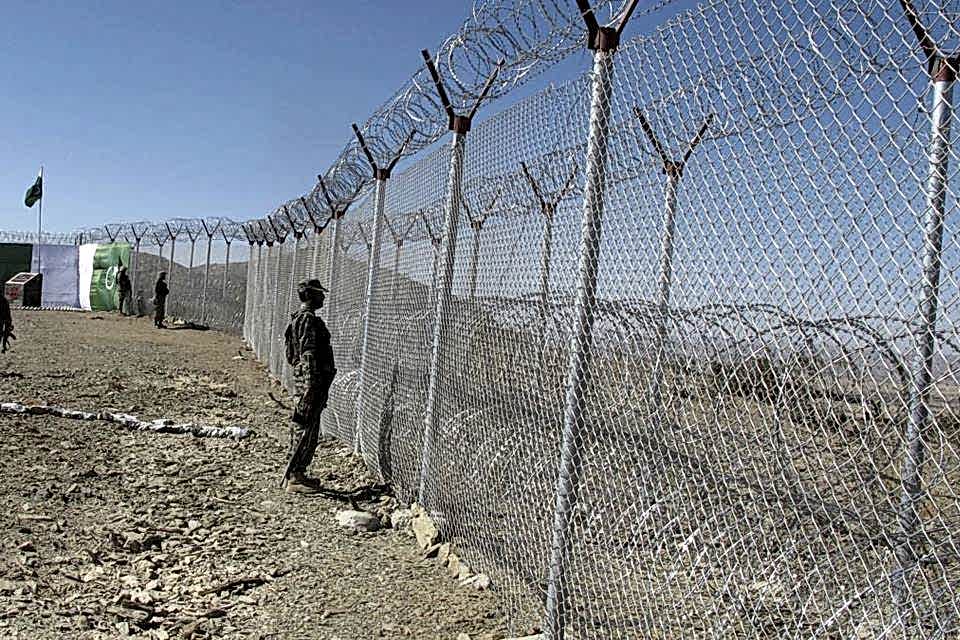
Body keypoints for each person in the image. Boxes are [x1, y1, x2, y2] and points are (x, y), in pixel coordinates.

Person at [282, 279, 337, 492]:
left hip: (305, 379)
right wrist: (311, 385)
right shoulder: (308, 320)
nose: (323, 297)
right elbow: (308, 354)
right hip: (310, 380)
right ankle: (295, 476)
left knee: (303, 424)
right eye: (319, 294)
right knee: (306, 427)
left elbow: (291, 355)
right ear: (311, 296)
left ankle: (296, 473)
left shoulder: (298, 319)